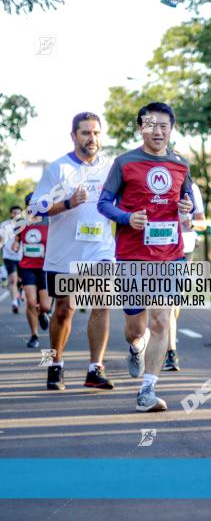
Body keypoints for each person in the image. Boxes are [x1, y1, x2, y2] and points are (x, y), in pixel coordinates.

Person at [97, 102, 194, 412]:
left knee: (162, 320)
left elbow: (186, 200)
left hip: (169, 255)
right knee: (136, 329)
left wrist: (186, 209)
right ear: (141, 128)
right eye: (151, 125)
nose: (158, 131)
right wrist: (126, 218)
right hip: (132, 255)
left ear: (171, 129)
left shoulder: (181, 164)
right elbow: (103, 203)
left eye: (164, 125)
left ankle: (147, 390)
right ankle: (135, 347)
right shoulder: (124, 163)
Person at [33, 112, 117, 390]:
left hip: (101, 250)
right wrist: (68, 203)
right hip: (64, 253)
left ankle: (96, 369)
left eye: (95, 133)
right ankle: (54, 365)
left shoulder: (111, 168)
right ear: (73, 136)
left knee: (101, 304)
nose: (91, 138)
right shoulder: (58, 169)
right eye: (85, 133)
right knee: (64, 310)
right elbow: (37, 208)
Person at [164, 180, 206, 371]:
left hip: (184, 248)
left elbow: (202, 223)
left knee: (173, 302)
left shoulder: (191, 187)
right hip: (155, 247)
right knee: (160, 301)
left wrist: (191, 223)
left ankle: (169, 348)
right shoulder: (149, 180)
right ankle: (169, 350)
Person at [14, 193, 52, 348]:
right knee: (30, 302)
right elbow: (17, 239)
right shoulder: (22, 222)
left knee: (45, 306)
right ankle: (34, 336)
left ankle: (42, 313)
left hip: (45, 267)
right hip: (27, 267)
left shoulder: (49, 221)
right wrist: (15, 245)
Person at [2, 206, 24, 313]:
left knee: (21, 280)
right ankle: (14, 302)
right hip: (8, 256)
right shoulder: (5, 225)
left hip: (22, 257)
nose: (16, 215)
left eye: (19, 213)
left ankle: (19, 293)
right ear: (11, 214)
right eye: (14, 213)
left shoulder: (25, 224)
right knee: (13, 280)